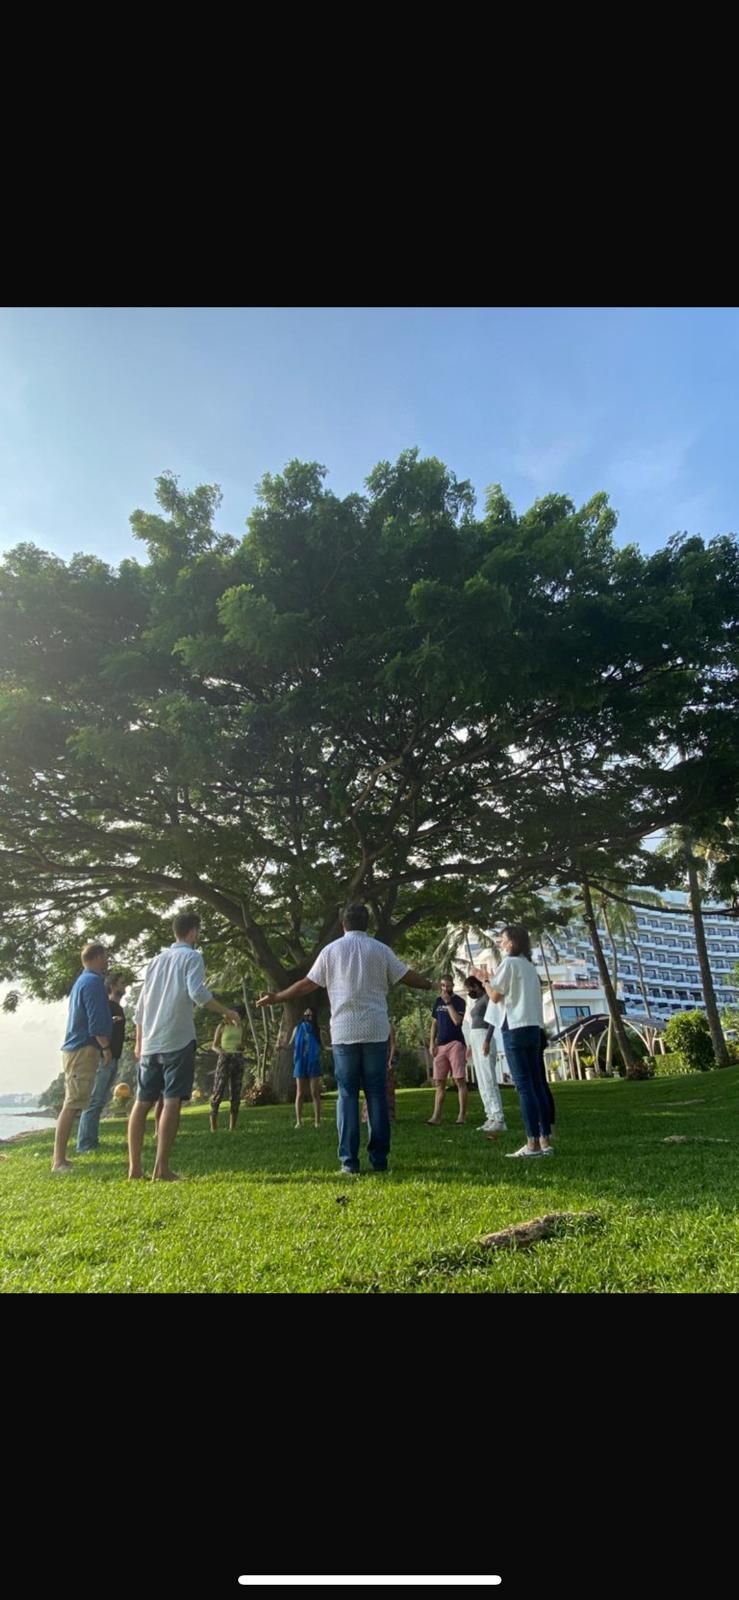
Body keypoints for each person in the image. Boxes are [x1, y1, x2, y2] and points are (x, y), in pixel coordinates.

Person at [256, 904, 433, 1176]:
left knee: (347, 1094)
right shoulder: (380, 950)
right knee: (376, 1093)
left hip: (344, 1032)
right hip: (375, 1029)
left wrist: (277, 997)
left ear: (343, 924)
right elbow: (407, 976)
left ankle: (349, 1162)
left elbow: (307, 983)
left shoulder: (331, 951)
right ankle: (380, 1160)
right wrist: (430, 985)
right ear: (368, 924)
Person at [128, 910, 240, 1181]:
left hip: (151, 1042)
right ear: (193, 932)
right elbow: (197, 993)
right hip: (176, 1039)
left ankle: (135, 1169)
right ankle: (162, 1169)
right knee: (171, 1101)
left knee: (142, 1103)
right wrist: (226, 1011)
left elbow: (140, 1008)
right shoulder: (192, 956)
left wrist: (140, 1042)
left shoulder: (155, 961)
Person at [486, 925, 553, 1157]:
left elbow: (495, 995)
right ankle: (544, 1139)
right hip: (533, 1028)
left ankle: (532, 1143)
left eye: (503, 940)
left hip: (514, 1027)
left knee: (524, 1087)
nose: (501, 944)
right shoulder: (529, 967)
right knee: (536, 1084)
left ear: (512, 942)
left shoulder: (510, 964)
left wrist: (485, 980)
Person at [52, 942, 113, 1173]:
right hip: (82, 1049)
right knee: (72, 1103)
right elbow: (95, 1020)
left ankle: (61, 1159)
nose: (106, 961)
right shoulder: (94, 982)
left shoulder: (82, 981)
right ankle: (58, 1161)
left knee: (75, 1102)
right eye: (105, 957)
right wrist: (105, 1047)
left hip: (77, 1048)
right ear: (97, 957)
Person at [76, 972, 128, 1154]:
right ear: (113, 986)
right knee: (94, 1100)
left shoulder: (118, 1008)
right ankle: (84, 1144)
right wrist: (105, 1049)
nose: (125, 986)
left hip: (114, 1057)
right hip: (104, 1057)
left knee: (100, 1100)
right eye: (121, 983)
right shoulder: (107, 1006)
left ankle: (92, 1141)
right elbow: (96, 1027)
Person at [464, 975, 506, 1135]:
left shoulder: (487, 998)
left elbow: (492, 1021)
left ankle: (499, 1118)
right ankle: (490, 1116)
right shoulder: (476, 1002)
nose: (469, 992)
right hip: (475, 1038)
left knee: (488, 1079)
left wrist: (487, 1040)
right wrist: (469, 1045)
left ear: (476, 985)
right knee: (481, 1081)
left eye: (470, 988)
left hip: (483, 1037)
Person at [427, 975, 468, 1126]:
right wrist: (432, 1042)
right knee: (439, 1082)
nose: (445, 989)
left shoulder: (459, 1002)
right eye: (442, 986)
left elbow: (457, 1021)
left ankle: (462, 1116)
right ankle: (436, 1116)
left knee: (459, 1080)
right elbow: (434, 1023)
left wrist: (449, 1003)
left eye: (448, 985)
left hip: (456, 1043)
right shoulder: (437, 1002)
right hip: (441, 1045)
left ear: (453, 985)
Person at [210, 1003, 247, 1131]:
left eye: (239, 1016)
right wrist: (221, 1051)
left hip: (238, 1058)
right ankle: (213, 1127)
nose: (237, 1017)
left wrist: (241, 1048)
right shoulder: (222, 1026)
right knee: (218, 1090)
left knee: (236, 1092)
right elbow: (214, 1045)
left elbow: (243, 1045)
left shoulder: (241, 1027)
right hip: (225, 1058)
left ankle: (232, 1127)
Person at [292, 1005, 323, 1128]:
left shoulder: (316, 1030)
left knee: (314, 1092)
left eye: (309, 1015)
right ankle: (299, 1121)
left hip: (313, 1061)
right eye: (305, 1015)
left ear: (313, 1016)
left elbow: (323, 1046)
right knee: (299, 1093)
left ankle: (317, 1121)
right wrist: (282, 1046)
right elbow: (290, 1043)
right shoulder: (298, 1028)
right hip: (300, 1061)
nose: (307, 1017)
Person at [361, 1023, 397, 1124]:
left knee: (388, 1087)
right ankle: (368, 1115)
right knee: (371, 1086)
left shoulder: (389, 1026)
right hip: (373, 1058)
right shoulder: (371, 1025)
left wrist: (390, 1059)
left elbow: (393, 1044)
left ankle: (389, 1115)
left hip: (385, 1059)